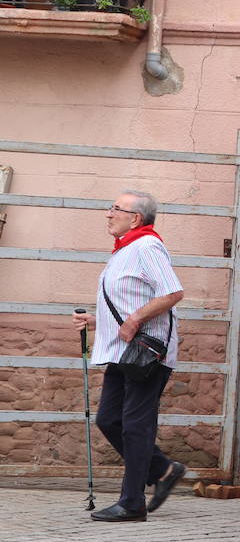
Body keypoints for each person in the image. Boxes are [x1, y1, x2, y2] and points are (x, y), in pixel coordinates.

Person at [71, 190, 187, 522]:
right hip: (123, 350)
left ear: (135, 218)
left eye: (115, 209)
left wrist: (135, 319)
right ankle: (163, 469)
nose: (108, 214)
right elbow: (128, 299)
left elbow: (172, 292)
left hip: (146, 353)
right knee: (109, 419)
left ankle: (132, 502)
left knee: (135, 425)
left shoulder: (147, 246)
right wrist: (97, 321)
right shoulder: (126, 249)